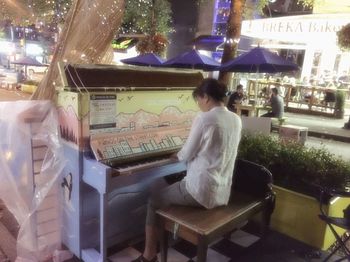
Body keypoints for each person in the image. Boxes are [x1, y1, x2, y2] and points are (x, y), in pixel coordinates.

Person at [132, 78, 242, 262]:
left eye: (198, 100)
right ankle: (168, 239)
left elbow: (186, 154)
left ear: (205, 97)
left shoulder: (205, 118)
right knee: (172, 185)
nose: (199, 105)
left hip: (200, 191)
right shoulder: (235, 119)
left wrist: (174, 154)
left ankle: (148, 255)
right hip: (222, 191)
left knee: (154, 200)